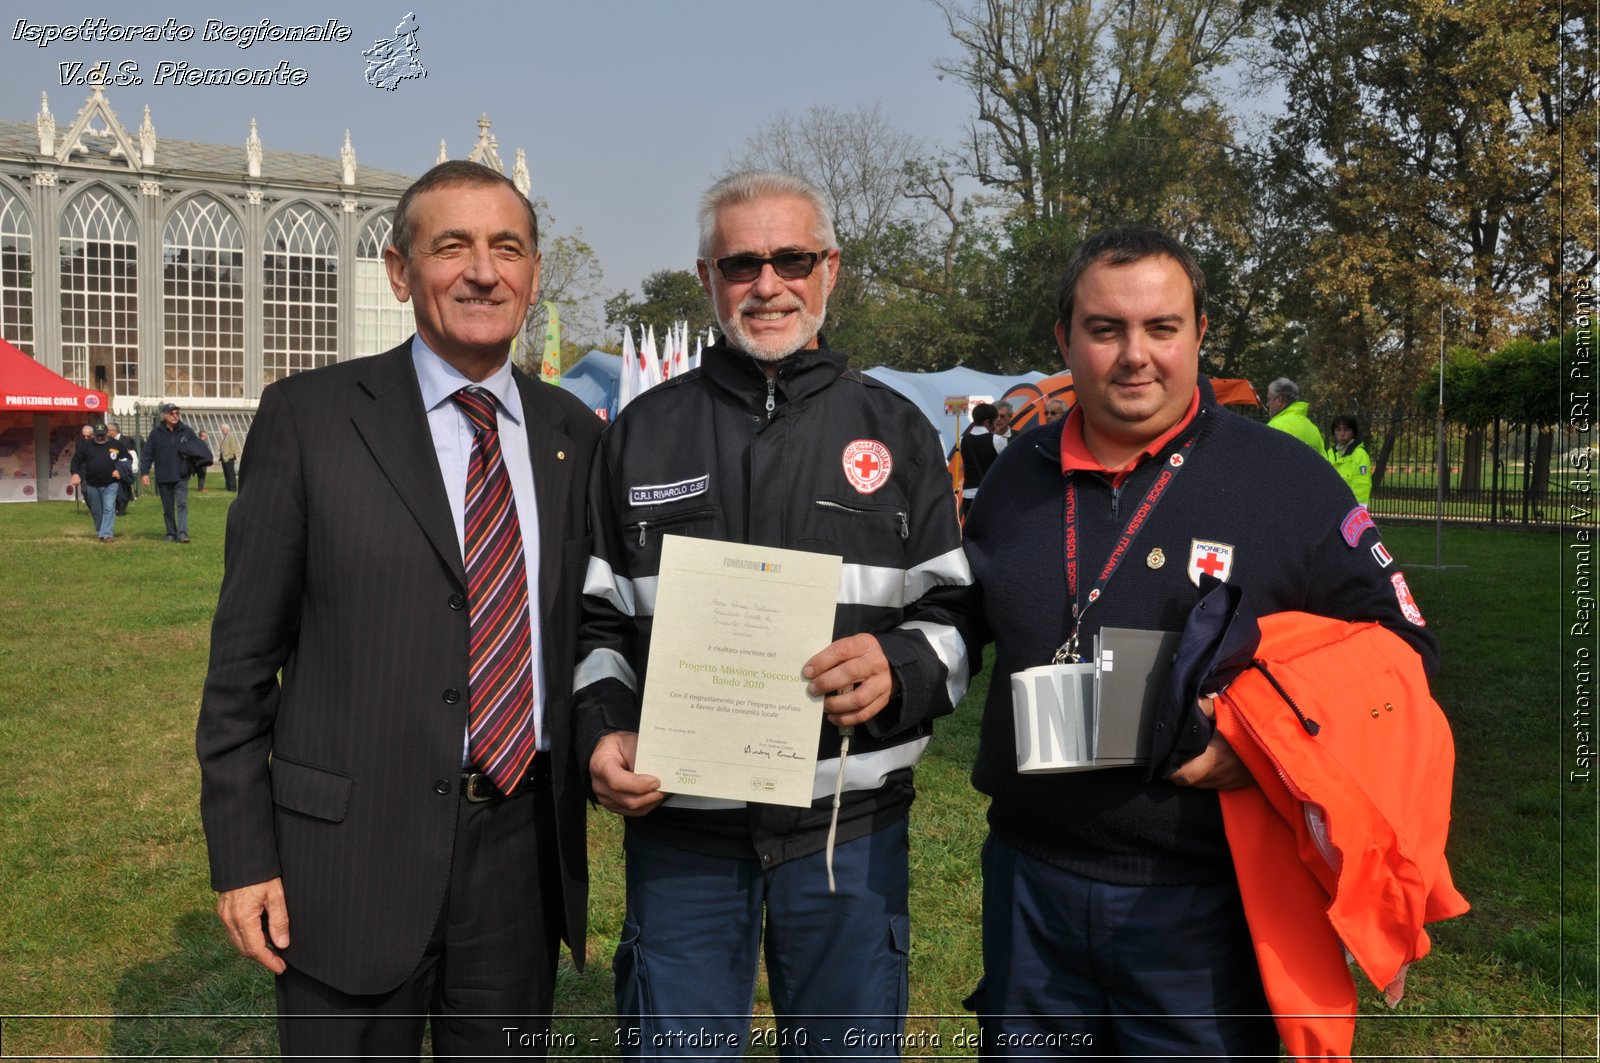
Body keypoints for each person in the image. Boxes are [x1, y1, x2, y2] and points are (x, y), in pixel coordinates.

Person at [959, 226, 1438, 1057]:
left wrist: (1265, 746)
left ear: (1201, 334)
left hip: (1204, 905)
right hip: (1029, 887)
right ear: (1064, 340)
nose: (1134, 355)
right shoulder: (1015, 472)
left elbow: (1403, 649)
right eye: (1105, 329)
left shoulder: (1286, 479)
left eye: (1162, 327)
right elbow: (964, 612)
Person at [196, 160, 601, 1059]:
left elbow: (599, 630)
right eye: (451, 246)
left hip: (519, 855)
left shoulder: (578, 436)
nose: (483, 271)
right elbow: (239, 667)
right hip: (347, 860)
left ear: (534, 273)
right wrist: (242, 854)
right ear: (398, 270)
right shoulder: (310, 417)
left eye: (507, 247)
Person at [575, 170, 972, 1058]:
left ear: (829, 268)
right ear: (709, 277)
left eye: (791, 258)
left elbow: (956, 616)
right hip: (682, 833)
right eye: (742, 262)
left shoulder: (898, 429)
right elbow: (597, 623)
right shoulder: (640, 433)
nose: (768, 284)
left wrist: (899, 668)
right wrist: (603, 729)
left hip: (850, 835)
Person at [140, 403, 199, 543]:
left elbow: (197, 450)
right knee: (167, 507)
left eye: (177, 413)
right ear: (164, 416)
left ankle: (183, 533)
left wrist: (194, 463)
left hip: (181, 474)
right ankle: (171, 532)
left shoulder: (187, 431)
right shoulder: (156, 433)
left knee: (182, 504)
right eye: (172, 413)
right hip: (164, 475)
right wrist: (145, 473)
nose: (175, 416)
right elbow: (148, 453)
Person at [69, 422, 130, 541]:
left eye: (102, 435)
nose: (100, 437)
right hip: (92, 483)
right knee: (96, 510)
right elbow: (76, 460)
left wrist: (120, 470)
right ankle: (100, 531)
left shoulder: (117, 444)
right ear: (94, 435)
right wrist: (75, 474)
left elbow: (127, 459)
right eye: (97, 435)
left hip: (111, 483)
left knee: (109, 508)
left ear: (107, 433)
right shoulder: (86, 446)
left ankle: (107, 534)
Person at [959, 402, 1001, 517]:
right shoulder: (996, 440)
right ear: (987, 422)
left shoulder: (964, 440)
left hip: (968, 494)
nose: (996, 425)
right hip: (989, 493)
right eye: (995, 421)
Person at [1266, 377, 1325, 451]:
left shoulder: (1275, 427)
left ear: (1279, 400)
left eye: (1269, 399)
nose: (1268, 404)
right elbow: (1324, 460)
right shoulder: (1313, 429)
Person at [1327, 413, 1373, 505]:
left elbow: (1362, 486)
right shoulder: (1329, 454)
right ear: (1334, 433)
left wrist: (1359, 509)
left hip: (1350, 509)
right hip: (1331, 507)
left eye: (1347, 430)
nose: (1342, 434)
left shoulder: (1360, 455)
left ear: (1353, 433)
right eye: (1338, 430)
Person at [106, 421, 136, 514]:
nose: (106, 433)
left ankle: (121, 509)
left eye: (107, 431)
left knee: (123, 490)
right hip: (111, 469)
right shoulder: (108, 441)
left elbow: (131, 456)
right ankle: (115, 508)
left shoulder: (127, 440)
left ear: (113, 431)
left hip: (123, 469)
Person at [218, 423, 241, 491]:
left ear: (227, 429)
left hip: (228, 458)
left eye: (222, 429)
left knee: (230, 473)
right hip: (224, 458)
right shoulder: (226, 436)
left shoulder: (231, 435)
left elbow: (233, 447)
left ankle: (232, 487)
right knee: (226, 473)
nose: (221, 431)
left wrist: (229, 456)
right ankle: (228, 487)